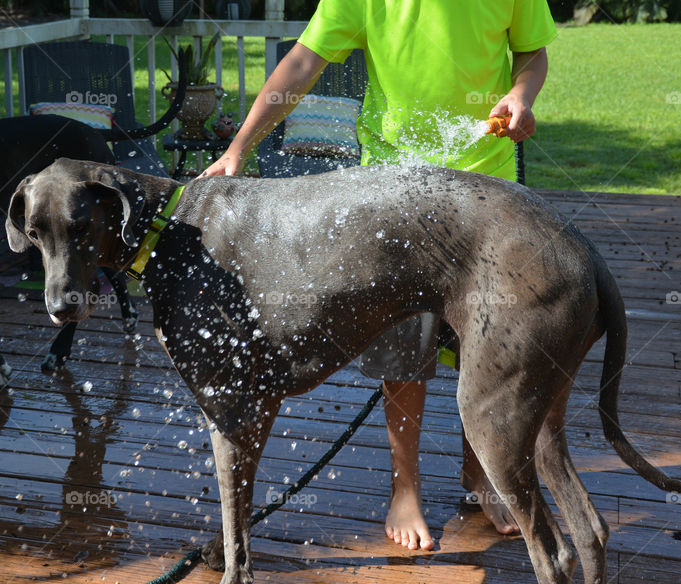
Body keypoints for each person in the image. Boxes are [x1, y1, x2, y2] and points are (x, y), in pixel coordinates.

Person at [202, 1, 557, 550]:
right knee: (403, 344)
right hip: (396, 188)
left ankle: (479, 474)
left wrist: (520, 95)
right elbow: (301, 62)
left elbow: (533, 52)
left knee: (487, 347)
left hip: (487, 187)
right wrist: (239, 146)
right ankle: (405, 488)